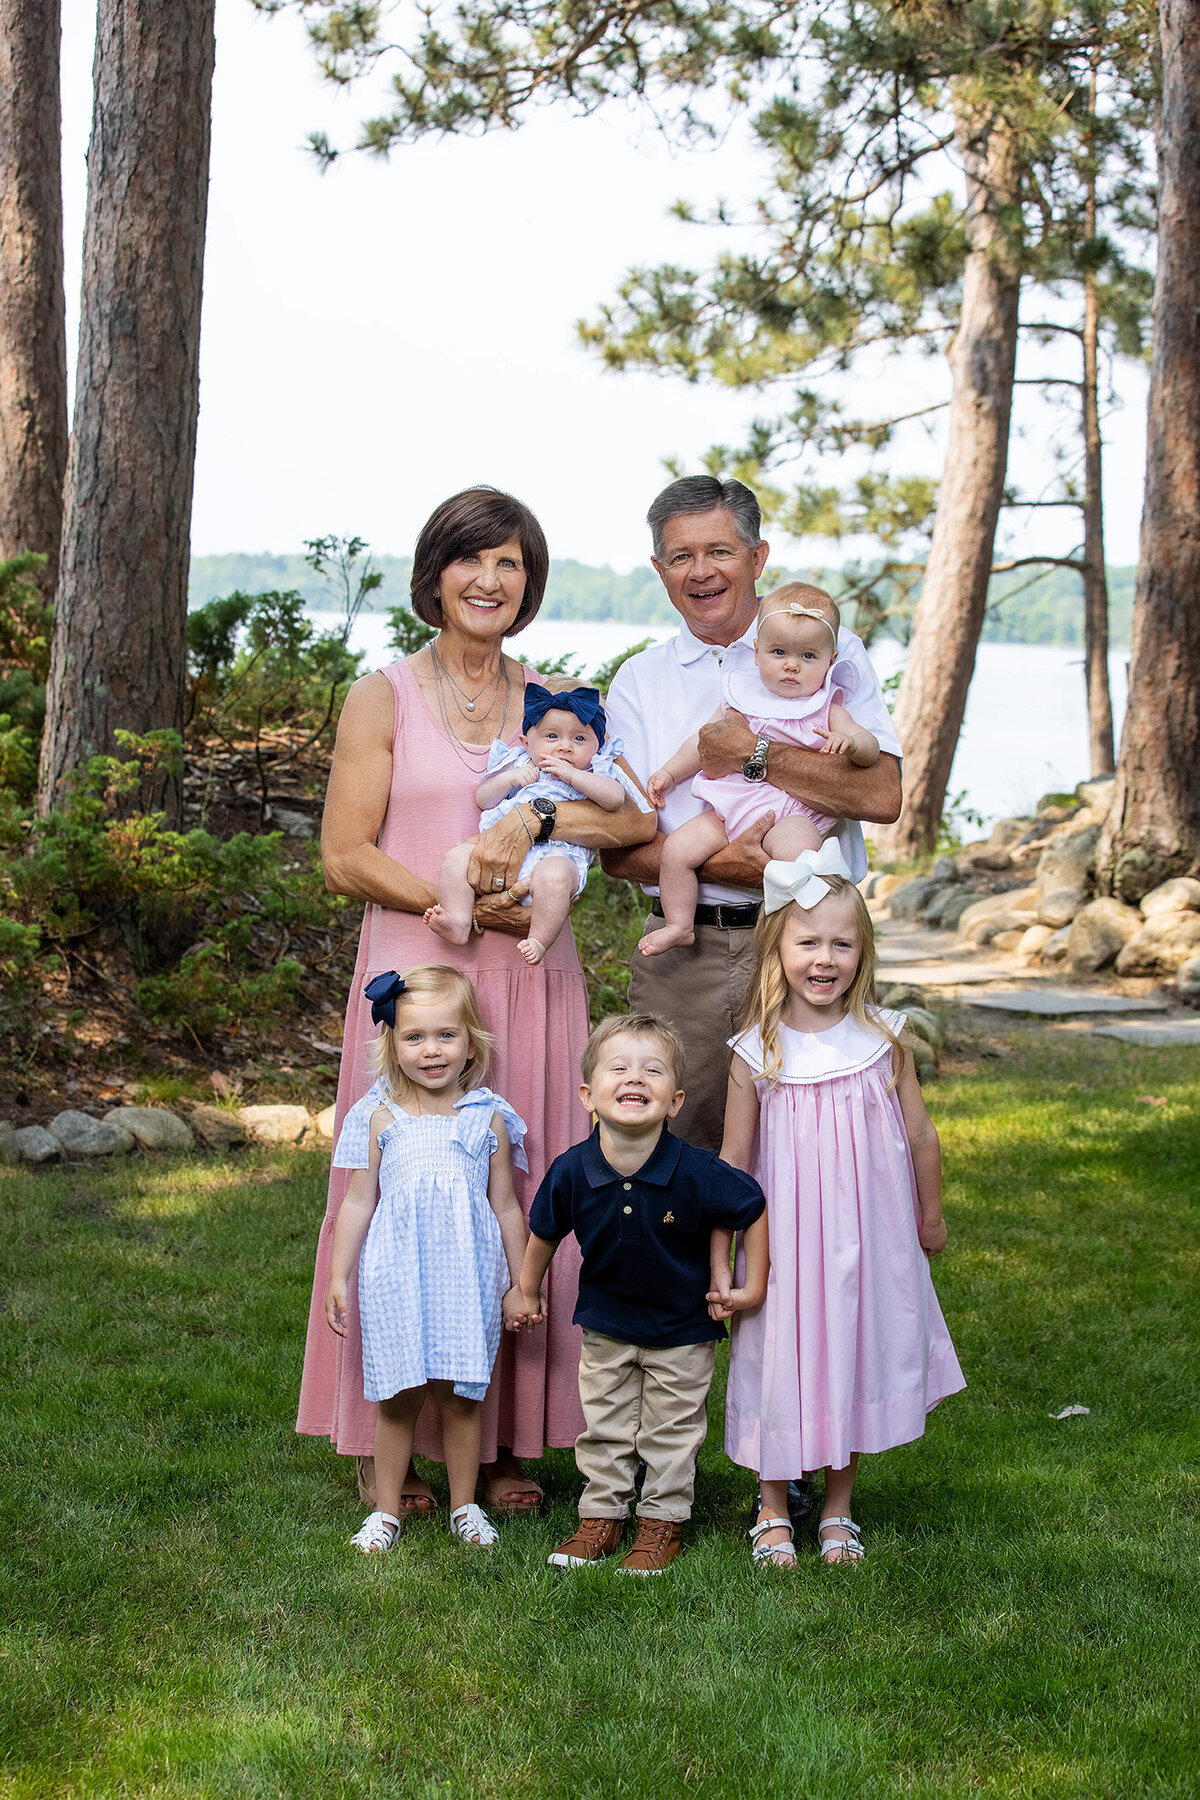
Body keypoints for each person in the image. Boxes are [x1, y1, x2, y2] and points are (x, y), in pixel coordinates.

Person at [297, 486, 656, 1516]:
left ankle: (510, 1447)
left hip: (532, 982)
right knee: (408, 1200)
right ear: (435, 577)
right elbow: (344, 855)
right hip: (423, 970)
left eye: (510, 563)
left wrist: (539, 812)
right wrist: (460, 913)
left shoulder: (563, 698)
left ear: (529, 583)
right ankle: (387, 1446)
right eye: (471, 561)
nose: (490, 581)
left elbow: (629, 824)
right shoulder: (382, 697)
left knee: (529, 1202)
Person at [603, 475, 903, 1155]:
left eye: (720, 551)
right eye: (680, 556)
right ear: (659, 570)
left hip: (808, 944)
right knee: (671, 1155)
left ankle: (807, 1267)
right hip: (691, 960)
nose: (701, 572)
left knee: (823, 1146)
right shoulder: (640, 681)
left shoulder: (824, 650)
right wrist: (729, 863)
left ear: (758, 558)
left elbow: (882, 794)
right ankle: (697, 1268)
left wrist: (756, 755)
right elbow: (619, 852)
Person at [712, 849, 965, 1568]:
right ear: (777, 949)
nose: (824, 959)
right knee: (777, 1354)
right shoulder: (754, 1051)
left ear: (863, 952)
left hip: (869, 1234)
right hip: (781, 1241)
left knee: (855, 1348)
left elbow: (920, 1134)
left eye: (841, 944)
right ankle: (770, 1508)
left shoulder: (884, 1040)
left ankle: (836, 1508)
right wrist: (722, 1255)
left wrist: (931, 1218)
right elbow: (732, 1165)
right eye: (808, 942)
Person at [512, 1014, 766, 1574]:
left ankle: (661, 1523)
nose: (635, 1078)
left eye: (652, 1071)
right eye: (619, 1068)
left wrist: (753, 1281)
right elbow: (545, 1232)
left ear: (675, 1101)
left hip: (682, 1330)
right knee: (605, 1423)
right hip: (606, 1323)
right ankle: (601, 1517)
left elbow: (750, 1204)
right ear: (588, 1095)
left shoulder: (697, 1170)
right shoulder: (571, 1170)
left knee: (670, 1429)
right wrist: (526, 1290)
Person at [326, 966, 530, 1552]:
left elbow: (507, 1207)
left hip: (468, 1276)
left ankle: (466, 1507)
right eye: (414, 1037)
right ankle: (385, 1513)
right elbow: (358, 1201)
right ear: (391, 1042)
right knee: (398, 1398)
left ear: (471, 1043)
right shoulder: (378, 1115)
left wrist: (523, 1284)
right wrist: (340, 1275)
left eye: (446, 1035)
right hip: (397, 1276)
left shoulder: (489, 1115)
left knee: (462, 1398)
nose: (431, 1050)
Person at [639, 583, 880, 956]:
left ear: (830, 661)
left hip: (789, 815)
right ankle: (680, 924)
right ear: (757, 653)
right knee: (676, 851)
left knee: (803, 862)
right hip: (729, 807)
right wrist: (669, 773)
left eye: (808, 656)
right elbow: (702, 742)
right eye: (779, 652)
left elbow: (869, 746)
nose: (791, 664)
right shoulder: (740, 697)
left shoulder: (825, 705)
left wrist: (852, 744)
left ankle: (815, 937)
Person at [426, 685, 635, 966]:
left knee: (556, 877)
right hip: (496, 853)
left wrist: (573, 776)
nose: (565, 746)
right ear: (526, 743)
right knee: (456, 857)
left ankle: (539, 938)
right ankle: (458, 919)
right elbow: (483, 798)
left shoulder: (593, 771)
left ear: (598, 745)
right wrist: (508, 780)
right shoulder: (518, 764)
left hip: (557, 856)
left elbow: (614, 799)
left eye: (580, 738)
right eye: (552, 736)